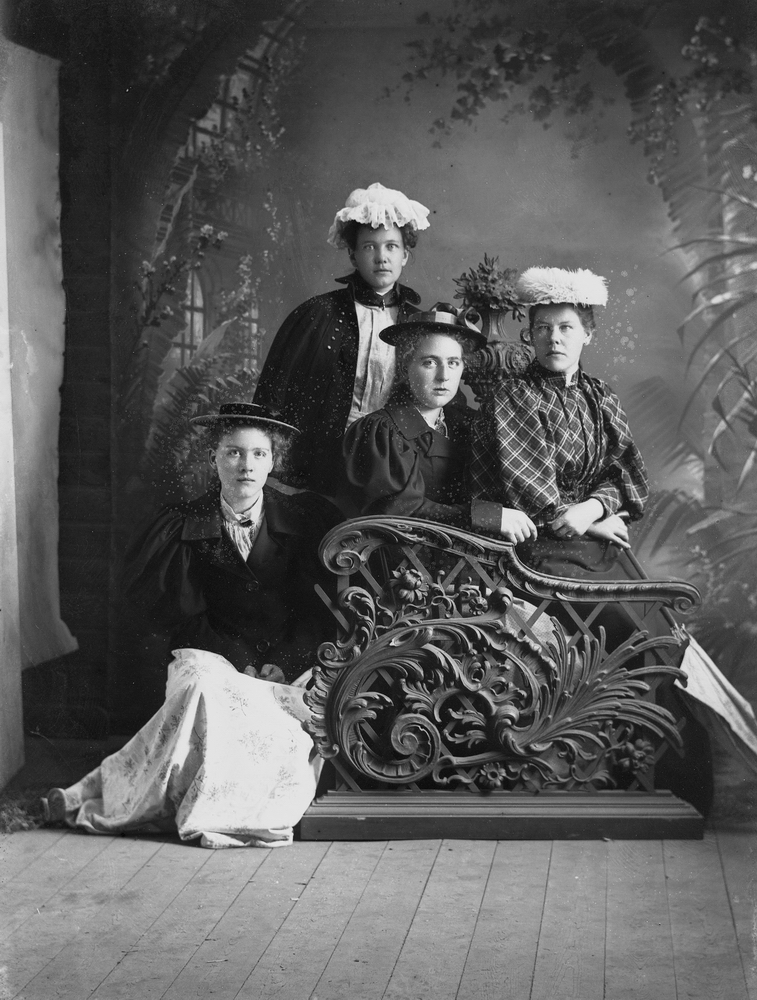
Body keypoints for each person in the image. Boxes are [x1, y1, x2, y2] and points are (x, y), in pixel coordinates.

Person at [42, 403, 342, 848]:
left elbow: (315, 610)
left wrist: (283, 661)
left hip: (290, 661)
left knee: (280, 726)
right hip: (213, 654)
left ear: (272, 462)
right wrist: (238, 661)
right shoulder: (183, 524)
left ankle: (231, 813)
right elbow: (180, 615)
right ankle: (107, 798)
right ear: (213, 458)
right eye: (233, 453)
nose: (246, 466)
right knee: (200, 691)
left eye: (259, 454)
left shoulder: (302, 521)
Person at [470, 266, 649, 575]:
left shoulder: (600, 396)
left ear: (587, 334)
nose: (553, 338)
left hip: (591, 532)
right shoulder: (514, 396)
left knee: (653, 599)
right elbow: (531, 493)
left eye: (566, 328)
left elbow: (626, 475)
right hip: (529, 544)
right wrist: (591, 523)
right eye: (543, 328)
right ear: (531, 335)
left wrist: (593, 508)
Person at [253, 182, 429, 494]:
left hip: (394, 463)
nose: (381, 258)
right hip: (325, 462)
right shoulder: (318, 315)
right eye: (369, 247)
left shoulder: (419, 324)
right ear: (352, 255)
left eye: (391, 246)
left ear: (405, 255)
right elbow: (274, 397)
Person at [343, 302, 486, 525]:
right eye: (430, 362)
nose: (444, 376)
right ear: (405, 367)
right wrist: (486, 517)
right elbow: (400, 513)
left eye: (453, 363)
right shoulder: (380, 431)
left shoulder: (466, 422)